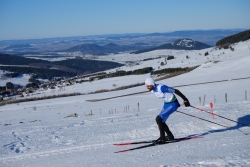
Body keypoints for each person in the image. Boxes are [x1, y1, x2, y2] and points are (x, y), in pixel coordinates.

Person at [145, 77, 191, 144]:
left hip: (173, 104)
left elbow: (176, 91)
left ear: (152, 84)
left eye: (148, 86)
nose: (147, 88)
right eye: (146, 86)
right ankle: (170, 136)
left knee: (158, 119)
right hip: (166, 104)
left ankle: (162, 137)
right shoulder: (153, 89)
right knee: (161, 121)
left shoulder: (162, 87)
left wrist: (185, 100)